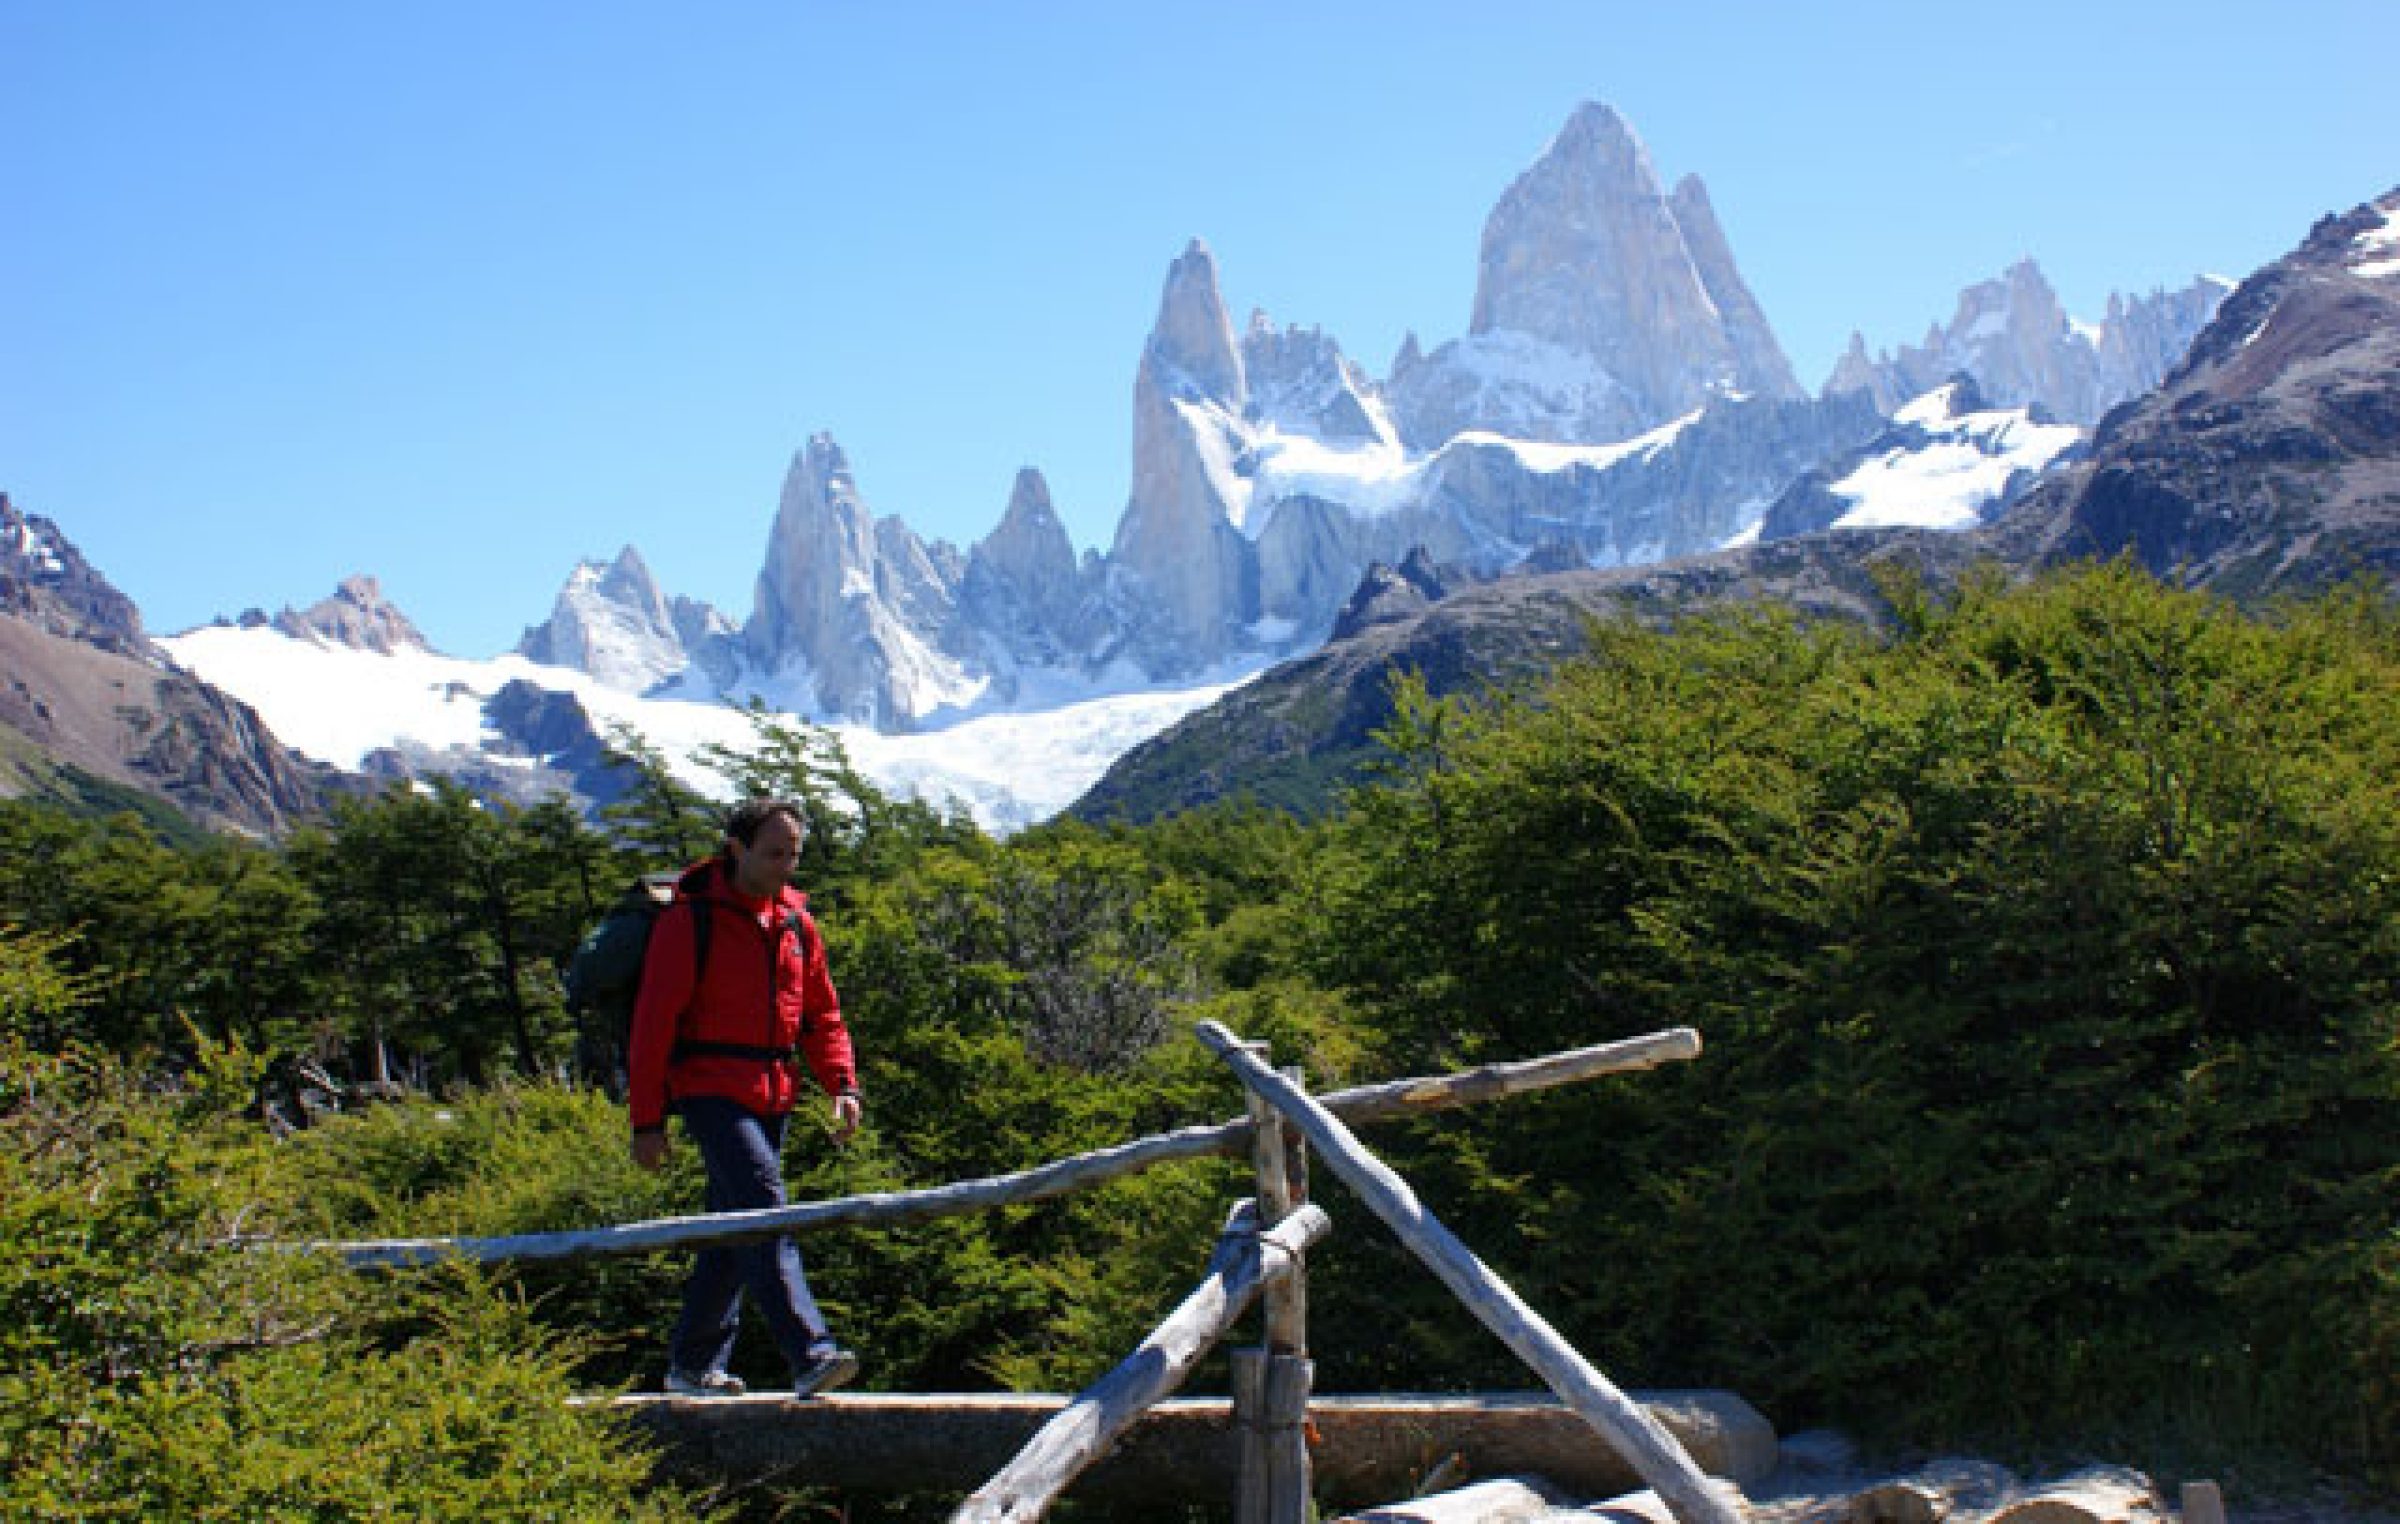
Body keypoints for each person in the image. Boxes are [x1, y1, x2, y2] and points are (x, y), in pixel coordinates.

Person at [628, 797, 863, 1399]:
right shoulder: (691, 920)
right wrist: (647, 1122)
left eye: (793, 854)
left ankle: (690, 1368)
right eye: (774, 853)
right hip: (710, 1088)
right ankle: (811, 1353)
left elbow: (821, 1015)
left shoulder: (794, 925)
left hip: (773, 1092)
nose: (786, 866)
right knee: (764, 1207)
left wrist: (842, 1085)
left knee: (733, 1230)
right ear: (737, 848)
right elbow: (653, 1024)